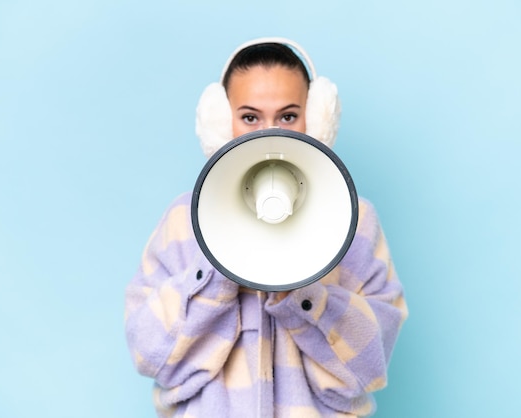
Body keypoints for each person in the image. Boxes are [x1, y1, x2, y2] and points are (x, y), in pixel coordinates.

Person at [124, 37, 408, 418]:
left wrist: (303, 290)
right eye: (250, 117)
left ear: (318, 120)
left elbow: (368, 366)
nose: (269, 133)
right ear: (222, 123)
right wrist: (218, 266)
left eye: (288, 116)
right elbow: (150, 354)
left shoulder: (354, 221)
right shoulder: (183, 219)